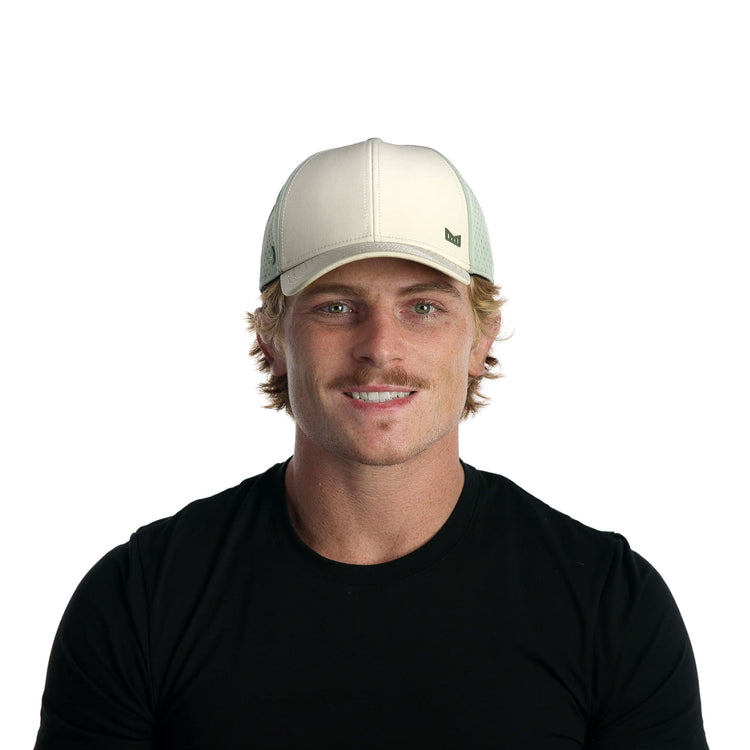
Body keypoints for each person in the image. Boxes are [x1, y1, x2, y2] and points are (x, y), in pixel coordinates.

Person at [34, 138, 709, 749]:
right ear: (272, 337)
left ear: (480, 337)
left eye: (423, 307)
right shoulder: (141, 601)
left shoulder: (609, 605)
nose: (381, 348)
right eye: (335, 306)